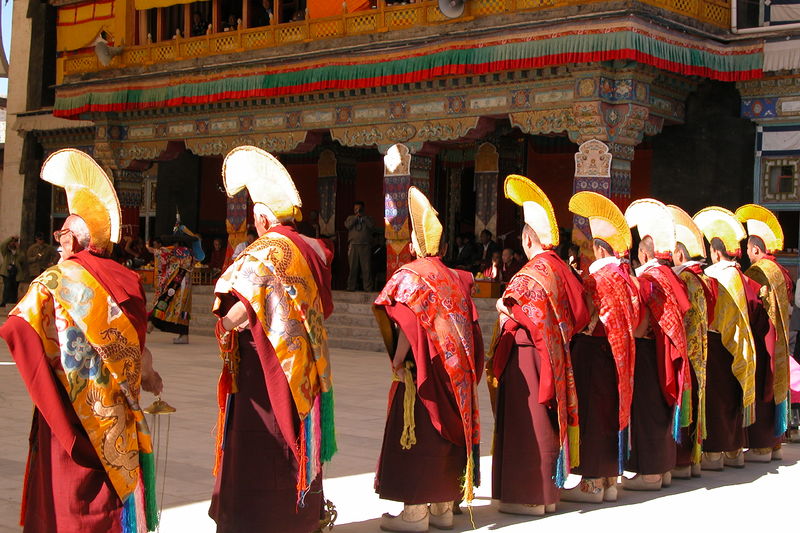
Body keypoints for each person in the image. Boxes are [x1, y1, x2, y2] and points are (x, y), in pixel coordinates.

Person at [0, 149, 162, 533]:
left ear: (72, 239)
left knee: (66, 492)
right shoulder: (128, 281)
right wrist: (150, 377)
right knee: (107, 494)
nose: (59, 244)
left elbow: (16, 329)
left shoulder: (56, 281)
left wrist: (50, 374)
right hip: (114, 415)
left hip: (71, 411)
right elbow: (137, 346)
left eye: (61, 235)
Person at [209, 146, 336, 533]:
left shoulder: (266, 251)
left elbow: (245, 306)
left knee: (265, 443)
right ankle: (302, 516)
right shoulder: (309, 250)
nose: (254, 224)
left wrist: (225, 325)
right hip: (305, 362)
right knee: (296, 435)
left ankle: (261, 520)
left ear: (263, 216)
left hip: (265, 371)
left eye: (254, 216)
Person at [373, 187, 483, 532]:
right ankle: (443, 510)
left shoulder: (411, 277)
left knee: (419, 432)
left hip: (424, 372)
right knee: (447, 437)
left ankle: (415, 513)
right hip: (457, 375)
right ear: (444, 247)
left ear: (416, 245)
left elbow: (408, 324)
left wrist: (398, 360)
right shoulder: (456, 278)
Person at [487, 175, 588, 516]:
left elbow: (517, 312)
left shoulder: (533, 272)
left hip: (527, 357)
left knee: (526, 421)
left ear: (529, 238)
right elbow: (578, 310)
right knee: (546, 421)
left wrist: (502, 309)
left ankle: (529, 495)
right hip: (555, 355)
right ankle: (546, 494)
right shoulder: (560, 269)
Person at [562, 191, 639, 503]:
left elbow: (581, 316)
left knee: (592, 414)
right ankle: (608, 479)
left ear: (597, 247)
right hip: (618, 355)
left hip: (593, 352)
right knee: (610, 413)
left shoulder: (596, 278)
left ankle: (591, 482)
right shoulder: (626, 277)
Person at [624, 199, 691, 491]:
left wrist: (626, 336)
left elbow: (641, 324)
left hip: (648, 351)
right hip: (667, 350)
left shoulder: (648, 278)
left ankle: (649, 473)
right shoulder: (668, 275)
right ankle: (663, 469)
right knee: (662, 408)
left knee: (647, 409)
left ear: (643, 252)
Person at [693, 207, 763, 470]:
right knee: (733, 395)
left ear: (715, 251)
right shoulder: (740, 275)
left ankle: (715, 452)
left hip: (717, 344)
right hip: (738, 343)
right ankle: (735, 450)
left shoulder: (715, 276)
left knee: (718, 399)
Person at [736, 204, 792, 461]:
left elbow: (752, 306)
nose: (747, 255)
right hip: (779, 339)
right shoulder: (780, 271)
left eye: (748, 250)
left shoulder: (757, 271)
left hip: (762, 339)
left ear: (756, 249)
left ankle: (761, 446)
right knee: (776, 383)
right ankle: (775, 443)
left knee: (762, 385)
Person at [669, 205, 715, 478]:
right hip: (702, 350)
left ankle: (684, 461)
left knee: (686, 399)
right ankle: (695, 460)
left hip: (686, 348)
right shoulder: (705, 279)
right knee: (698, 398)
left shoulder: (684, 278)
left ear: (680, 253)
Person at [148, 225, 201, 344]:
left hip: (176, 281)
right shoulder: (191, 253)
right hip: (186, 283)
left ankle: (153, 322)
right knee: (184, 308)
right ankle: (184, 335)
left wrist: (149, 247)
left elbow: (160, 254)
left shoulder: (175, 251)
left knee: (165, 302)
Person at [345, 200, 375, 291]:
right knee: (353, 268)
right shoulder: (350, 218)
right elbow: (347, 225)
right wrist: (356, 218)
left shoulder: (368, 218)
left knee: (366, 268)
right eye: (355, 209)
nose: (357, 210)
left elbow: (371, 226)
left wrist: (364, 218)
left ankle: (368, 287)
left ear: (363, 209)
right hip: (353, 245)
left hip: (365, 246)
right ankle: (351, 287)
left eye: (359, 209)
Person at [0, 235, 22, 306]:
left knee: (15, 287)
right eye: (12, 242)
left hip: (16, 272)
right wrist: (11, 238)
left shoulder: (18, 252)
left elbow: (22, 259)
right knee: (7, 286)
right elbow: (3, 245)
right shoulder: (6, 252)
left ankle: (13, 301)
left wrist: (18, 249)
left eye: (15, 242)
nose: (13, 243)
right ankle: (5, 301)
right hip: (7, 271)